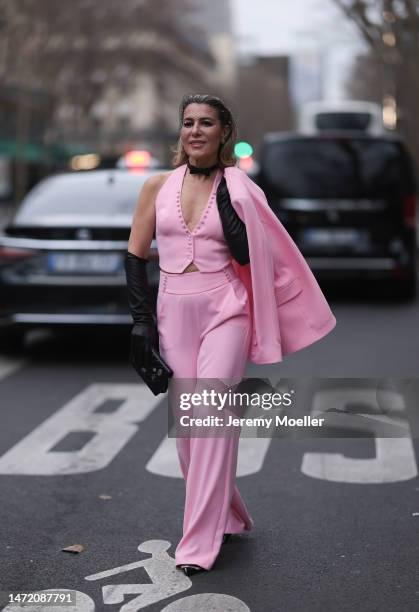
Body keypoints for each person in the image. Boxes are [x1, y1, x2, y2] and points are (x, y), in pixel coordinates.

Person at [124, 94, 336, 576]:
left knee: (212, 417)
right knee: (189, 432)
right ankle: (230, 513)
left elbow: (254, 256)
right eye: (188, 123)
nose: (195, 131)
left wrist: (229, 202)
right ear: (180, 132)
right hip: (172, 310)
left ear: (223, 132)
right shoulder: (157, 187)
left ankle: (198, 543)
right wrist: (140, 321)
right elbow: (136, 254)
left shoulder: (238, 186)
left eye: (205, 123)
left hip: (226, 308)